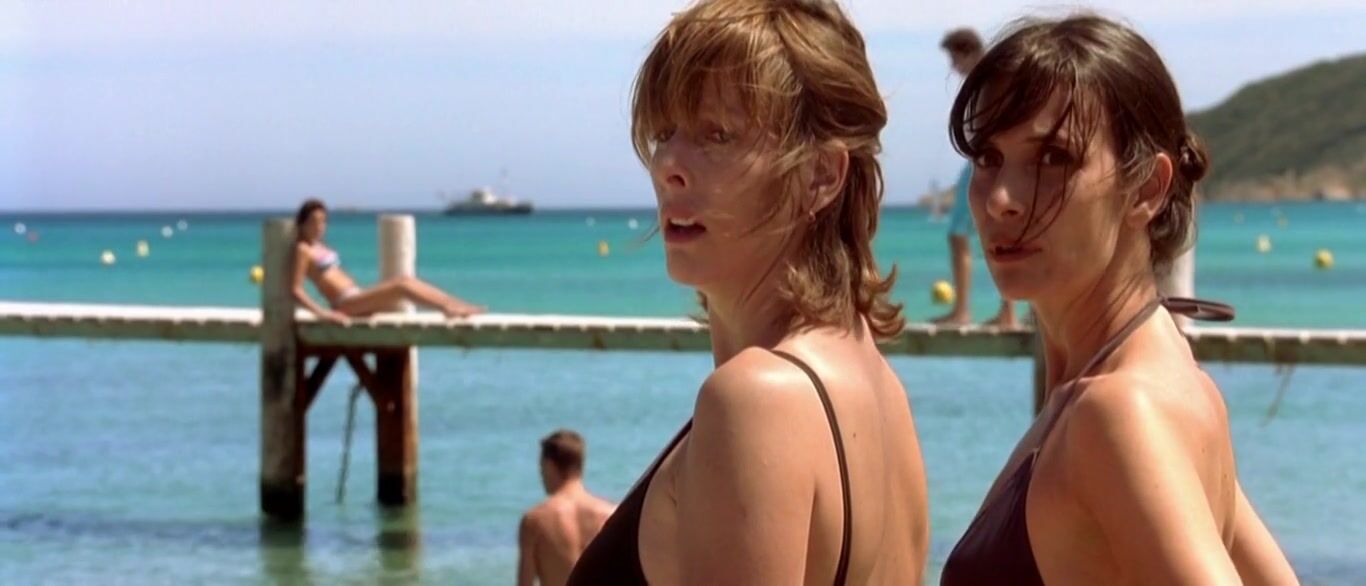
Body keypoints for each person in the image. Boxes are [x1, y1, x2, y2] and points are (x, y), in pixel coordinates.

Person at [568, 1, 929, 584]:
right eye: (664, 133)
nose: (668, 166)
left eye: (717, 135)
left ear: (821, 175)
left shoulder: (755, 400)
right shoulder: (882, 391)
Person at [940, 15, 1297, 585]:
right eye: (988, 157)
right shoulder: (1162, 384)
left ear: (1147, 188)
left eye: (1053, 158)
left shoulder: (1118, 413)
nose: (1000, 198)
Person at [933, 28, 1019, 329]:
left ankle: (963, 311)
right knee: (1000, 233)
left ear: (967, 52)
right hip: (987, 161)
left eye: (954, 57)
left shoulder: (986, 80)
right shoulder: (994, 77)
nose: (952, 65)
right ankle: (1006, 313)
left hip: (985, 161)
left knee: (960, 235)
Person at [290, 199, 484, 324]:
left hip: (355, 295)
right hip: (345, 303)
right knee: (402, 285)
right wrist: (323, 314)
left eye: (323, 221)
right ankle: (448, 308)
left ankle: (454, 304)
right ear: (302, 223)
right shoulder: (303, 250)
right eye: (314, 221)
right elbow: (296, 290)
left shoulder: (319, 246)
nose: (319, 226)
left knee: (406, 281)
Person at [517, 430, 615, 586]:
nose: (541, 475)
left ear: (549, 466)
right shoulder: (611, 515)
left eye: (541, 467)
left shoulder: (535, 520)